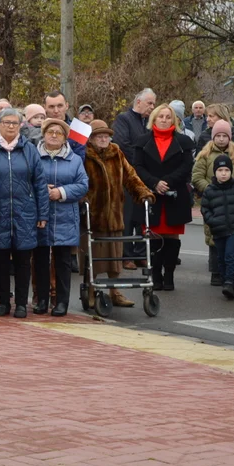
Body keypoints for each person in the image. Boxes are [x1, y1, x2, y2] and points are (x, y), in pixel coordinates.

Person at [0, 107, 49, 318]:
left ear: (21, 125)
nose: (11, 126)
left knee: (22, 260)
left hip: (25, 213)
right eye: (7, 122)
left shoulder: (30, 150)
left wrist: (42, 214)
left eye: (15, 123)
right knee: (0, 260)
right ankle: (3, 302)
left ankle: (21, 304)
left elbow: (40, 183)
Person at [81, 120, 154, 309]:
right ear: (91, 138)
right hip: (93, 217)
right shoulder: (83, 155)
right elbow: (77, 180)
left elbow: (130, 176)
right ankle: (91, 289)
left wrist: (144, 193)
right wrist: (82, 200)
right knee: (94, 259)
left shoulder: (116, 152)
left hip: (114, 215)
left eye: (106, 135)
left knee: (114, 259)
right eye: (99, 136)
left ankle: (115, 292)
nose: (104, 139)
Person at [132, 103, 195, 291]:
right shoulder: (142, 141)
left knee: (172, 237)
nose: (164, 120)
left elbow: (186, 167)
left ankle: (169, 275)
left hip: (175, 195)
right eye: (161, 116)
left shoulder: (183, 141)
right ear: (154, 119)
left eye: (168, 117)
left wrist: (166, 181)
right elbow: (138, 167)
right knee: (154, 236)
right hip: (152, 195)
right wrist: (154, 183)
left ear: (174, 120)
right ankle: (156, 274)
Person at [34, 118, 89, 316]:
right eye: (51, 132)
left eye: (59, 132)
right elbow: (26, 181)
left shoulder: (74, 159)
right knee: (40, 261)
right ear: (44, 135)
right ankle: (41, 300)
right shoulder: (34, 156)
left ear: (65, 137)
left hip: (65, 216)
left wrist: (61, 192)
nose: (54, 135)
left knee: (63, 262)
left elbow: (83, 185)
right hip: (40, 216)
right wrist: (42, 189)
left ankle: (61, 302)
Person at [192, 120, 234, 286]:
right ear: (213, 136)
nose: (222, 139)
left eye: (225, 135)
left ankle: (230, 275)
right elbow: (197, 177)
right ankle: (216, 271)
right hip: (214, 202)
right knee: (214, 238)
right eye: (218, 135)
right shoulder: (205, 155)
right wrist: (211, 190)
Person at [114, 88, 157, 269]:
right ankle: (126, 255)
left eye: (154, 104)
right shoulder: (123, 119)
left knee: (143, 217)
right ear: (138, 102)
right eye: (150, 103)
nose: (152, 107)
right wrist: (143, 160)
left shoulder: (150, 122)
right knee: (128, 217)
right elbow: (123, 144)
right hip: (128, 176)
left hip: (146, 176)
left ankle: (140, 253)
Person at [201, 156, 234, 300]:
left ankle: (230, 282)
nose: (224, 173)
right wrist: (212, 221)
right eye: (220, 170)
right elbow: (205, 208)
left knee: (231, 256)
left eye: (227, 170)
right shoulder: (210, 190)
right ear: (215, 172)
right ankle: (224, 281)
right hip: (218, 229)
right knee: (221, 257)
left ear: (231, 172)